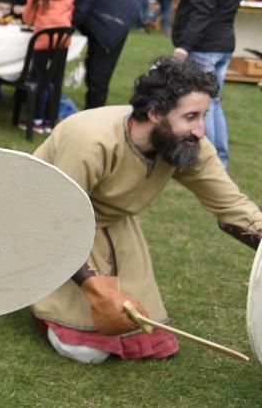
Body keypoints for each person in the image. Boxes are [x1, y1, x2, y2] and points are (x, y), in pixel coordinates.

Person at [30, 58, 262, 364]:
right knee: (88, 351)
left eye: (204, 116)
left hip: (116, 227)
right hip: (45, 224)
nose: (201, 131)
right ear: (154, 112)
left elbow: (232, 205)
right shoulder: (90, 140)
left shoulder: (188, 145)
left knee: (139, 330)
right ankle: (41, 301)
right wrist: (93, 285)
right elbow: (55, 217)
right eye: (191, 116)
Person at [171, 0, 249, 167]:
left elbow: (201, 10)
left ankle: (214, 160)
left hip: (206, 44)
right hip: (222, 43)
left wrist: (184, 45)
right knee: (213, 102)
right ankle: (218, 158)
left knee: (207, 105)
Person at [60, 0, 141, 109]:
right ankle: (92, 109)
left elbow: (80, 12)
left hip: (112, 26)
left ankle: (94, 115)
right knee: (93, 71)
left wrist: (62, 34)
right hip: (105, 23)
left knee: (98, 76)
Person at [21, 0, 75, 132]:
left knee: (37, 79)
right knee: (55, 80)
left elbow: (28, 19)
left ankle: (36, 118)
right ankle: (50, 119)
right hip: (62, 42)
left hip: (42, 42)